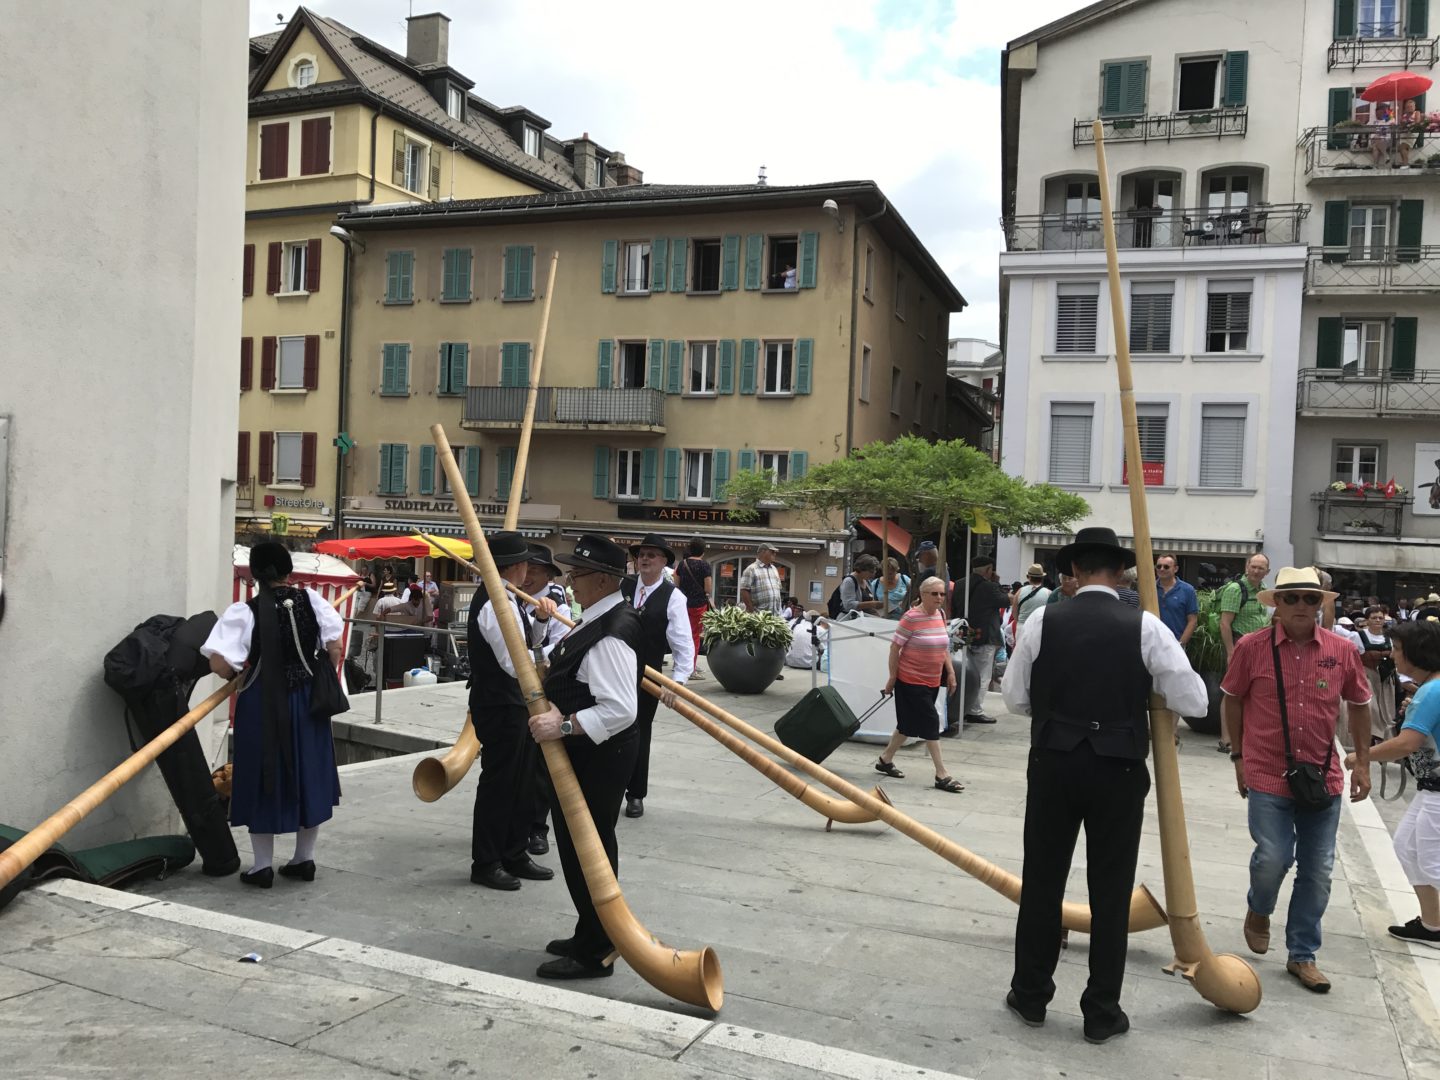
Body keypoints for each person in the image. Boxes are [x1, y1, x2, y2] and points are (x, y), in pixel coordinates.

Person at [1000, 527, 1207, 1044]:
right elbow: (1196, 701)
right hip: (1117, 768)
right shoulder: (1146, 626)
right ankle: (1101, 1011)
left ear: (1073, 571)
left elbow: (1014, 698)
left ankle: (1030, 996)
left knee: (1042, 883)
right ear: (1120, 573)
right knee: (1110, 892)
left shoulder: (1045, 618)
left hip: (1052, 763)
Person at [1221, 566, 1373, 994]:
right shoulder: (1252, 648)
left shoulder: (1342, 651)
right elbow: (1232, 699)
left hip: (1322, 776)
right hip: (1267, 769)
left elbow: (1360, 704)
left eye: (1311, 598)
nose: (1302, 606)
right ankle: (1259, 907)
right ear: (1278, 605)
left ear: (1321, 604)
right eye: (1292, 599)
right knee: (1273, 856)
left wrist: (1361, 762)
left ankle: (1302, 954)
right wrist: (1238, 756)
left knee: (1319, 870)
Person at [527, 534, 646, 981]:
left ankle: (597, 948)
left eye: (576, 574)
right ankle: (590, 930)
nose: (571, 583)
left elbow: (619, 709)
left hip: (599, 754)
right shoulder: (599, 618)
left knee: (588, 847)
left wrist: (562, 725)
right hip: (595, 752)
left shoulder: (611, 630)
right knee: (583, 846)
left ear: (602, 578)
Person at [201, 542, 345, 887]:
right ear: (287, 571)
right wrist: (317, 672)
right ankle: (303, 860)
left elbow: (219, 661)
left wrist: (233, 676)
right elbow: (335, 647)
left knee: (262, 773)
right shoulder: (313, 600)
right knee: (308, 772)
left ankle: (261, 866)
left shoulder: (245, 611)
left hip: (262, 702)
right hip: (309, 700)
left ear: (256, 574)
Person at [466, 531, 557, 892]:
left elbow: (526, 642)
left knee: (521, 782)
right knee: (499, 783)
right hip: (499, 703)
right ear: (518, 567)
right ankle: (486, 861)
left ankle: (514, 852)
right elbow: (512, 662)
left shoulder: (508, 597)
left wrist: (542, 620)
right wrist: (552, 660)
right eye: (527, 565)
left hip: (514, 702)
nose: (529, 573)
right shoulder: (492, 603)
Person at [1348, 621, 1440, 947]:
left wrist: (1360, 756)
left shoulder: (1432, 691)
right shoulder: (1429, 689)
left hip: (1438, 792)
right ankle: (1432, 925)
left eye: (1398, 649)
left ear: (1417, 653)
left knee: (1430, 860)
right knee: (1407, 848)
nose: (1393, 655)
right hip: (1430, 789)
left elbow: (1405, 744)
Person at [620, 534, 694, 819]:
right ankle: (607, 786)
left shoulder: (673, 596)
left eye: (652, 555)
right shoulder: (622, 586)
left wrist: (677, 683)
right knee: (608, 730)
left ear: (664, 561)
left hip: (647, 677)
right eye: (641, 554)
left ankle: (635, 794)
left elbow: (682, 643)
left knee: (639, 732)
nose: (645, 559)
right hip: (613, 670)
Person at [873, 577, 963, 793]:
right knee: (931, 721)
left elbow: (943, 647)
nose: (940, 598)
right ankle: (942, 774)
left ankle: (885, 759)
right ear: (922, 594)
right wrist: (892, 677)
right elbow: (895, 648)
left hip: (932, 679)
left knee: (907, 725)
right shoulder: (911, 617)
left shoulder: (940, 615)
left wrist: (950, 672)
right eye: (934, 594)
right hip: (910, 680)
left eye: (942, 594)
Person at [523, 543, 568, 857]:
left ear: (547, 576)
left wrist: (529, 653)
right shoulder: (510, 598)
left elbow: (556, 647)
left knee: (541, 763)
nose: (526, 576)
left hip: (542, 687)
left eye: (533, 571)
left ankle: (538, 829)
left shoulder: (558, 605)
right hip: (512, 688)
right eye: (524, 569)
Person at [1217, 553, 1272, 753]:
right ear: (1247, 567)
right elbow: (1225, 623)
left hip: (1260, 648)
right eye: (1253, 567)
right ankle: (1226, 739)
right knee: (1232, 691)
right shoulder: (1235, 589)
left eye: (1261, 568)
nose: (1256, 571)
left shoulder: (1265, 591)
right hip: (1240, 645)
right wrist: (1231, 652)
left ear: (1267, 572)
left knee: (1253, 692)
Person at [960, 555, 1008, 726]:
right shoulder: (990, 586)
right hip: (985, 636)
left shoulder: (960, 584)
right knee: (982, 676)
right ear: (989, 570)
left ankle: (963, 708)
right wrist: (997, 584)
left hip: (963, 634)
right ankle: (975, 710)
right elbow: (1005, 600)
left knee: (965, 674)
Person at [1358, 605, 1399, 744]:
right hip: (1366, 676)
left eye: (1380, 618)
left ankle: (1384, 742)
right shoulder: (1357, 636)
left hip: (1386, 678)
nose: (1377, 620)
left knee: (1387, 712)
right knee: (1372, 709)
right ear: (1367, 620)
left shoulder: (1390, 638)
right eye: (1374, 618)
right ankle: (1370, 738)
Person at [674, 537, 712, 679]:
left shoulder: (682, 564)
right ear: (703, 550)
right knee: (694, 637)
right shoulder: (705, 566)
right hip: (699, 606)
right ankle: (691, 669)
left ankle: (680, 664)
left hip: (683, 605)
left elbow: (676, 584)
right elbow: (708, 588)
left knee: (682, 635)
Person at [1155, 554, 1198, 646]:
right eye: (1159, 566)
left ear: (1176, 569)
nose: (1161, 569)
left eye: (1166, 567)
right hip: (1152, 644)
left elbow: (1192, 621)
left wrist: (1180, 644)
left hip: (1175, 644)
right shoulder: (1149, 589)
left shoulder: (1187, 590)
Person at [1010, 564, 1050, 647]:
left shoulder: (1020, 591)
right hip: (1040, 628)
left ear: (1028, 577)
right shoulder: (1048, 593)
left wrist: (1020, 621)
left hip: (1022, 628)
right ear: (1042, 578)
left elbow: (1014, 613)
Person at [739, 543, 784, 615]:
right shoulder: (751, 569)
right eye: (772, 552)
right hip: (759, 617)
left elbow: (778, 590)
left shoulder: (774, 569)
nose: (775, 554)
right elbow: (744, 590)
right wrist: (751, 610)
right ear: (763, 552)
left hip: (775, 616)